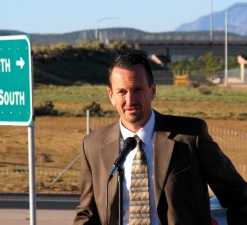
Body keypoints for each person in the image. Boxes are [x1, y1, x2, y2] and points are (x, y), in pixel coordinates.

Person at [73, 53, 247, 225]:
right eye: (122, 92)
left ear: (153, 90)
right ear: (111, 95)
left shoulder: (189, 137)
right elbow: (87, 213)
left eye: (137, 90)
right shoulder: (93, 146)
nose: (130, 100)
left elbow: (239, 196)